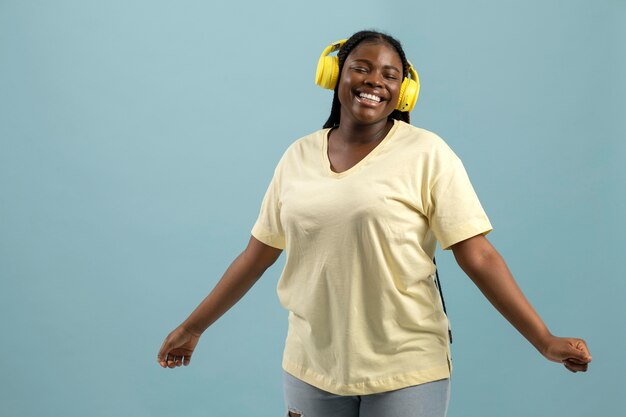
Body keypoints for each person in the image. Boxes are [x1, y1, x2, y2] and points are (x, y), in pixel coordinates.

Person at [157, 30, 592, 417]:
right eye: (361, 68)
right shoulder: (297, 157)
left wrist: (543, 339)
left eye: (389, 75)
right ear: (334, 74)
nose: (374, 82)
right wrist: (193, 327)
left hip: (407, 365)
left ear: (403, 91)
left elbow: (477, 255)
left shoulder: (428, 154)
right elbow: (256, 255)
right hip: (311, 364)